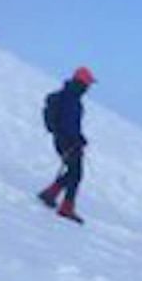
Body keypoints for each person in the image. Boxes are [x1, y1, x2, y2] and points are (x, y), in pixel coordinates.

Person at [37, 67, 96, 224]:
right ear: (81, 82)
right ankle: (65, 207)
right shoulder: (71, 99)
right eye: (88, 83)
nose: (88, 87)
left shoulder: (68, 96)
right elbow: (69, 124)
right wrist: (76, 140)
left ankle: (51, 194)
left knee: (73, 172)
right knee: (76, 173)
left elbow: (68, 123)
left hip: (62, 139)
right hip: (68, 141)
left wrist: (79, 137)